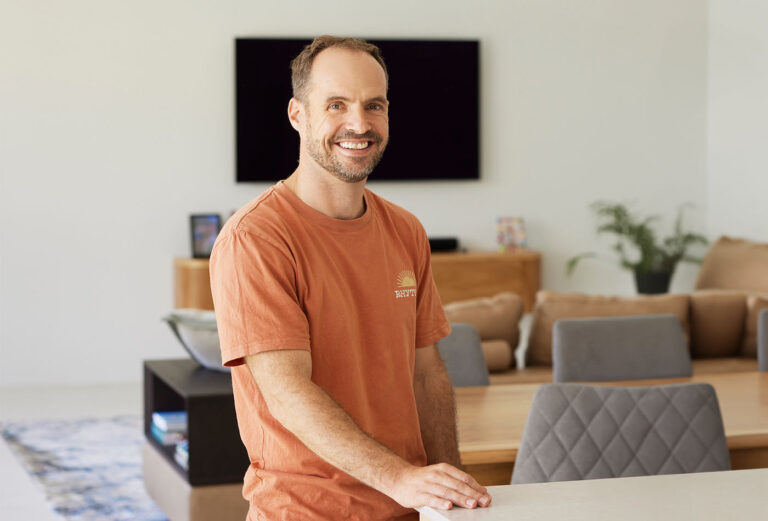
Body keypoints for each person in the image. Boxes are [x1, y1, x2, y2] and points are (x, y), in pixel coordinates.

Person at [210, 35, 491, 520]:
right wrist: (398, 478)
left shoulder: (405, 229)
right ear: (298, 114)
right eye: (336, 105)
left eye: (373, 105)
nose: (359, 124)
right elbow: (286, 392)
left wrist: (452, 494)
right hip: (305, 512)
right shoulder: (255, 238)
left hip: (411, 508)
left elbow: (426, 374)